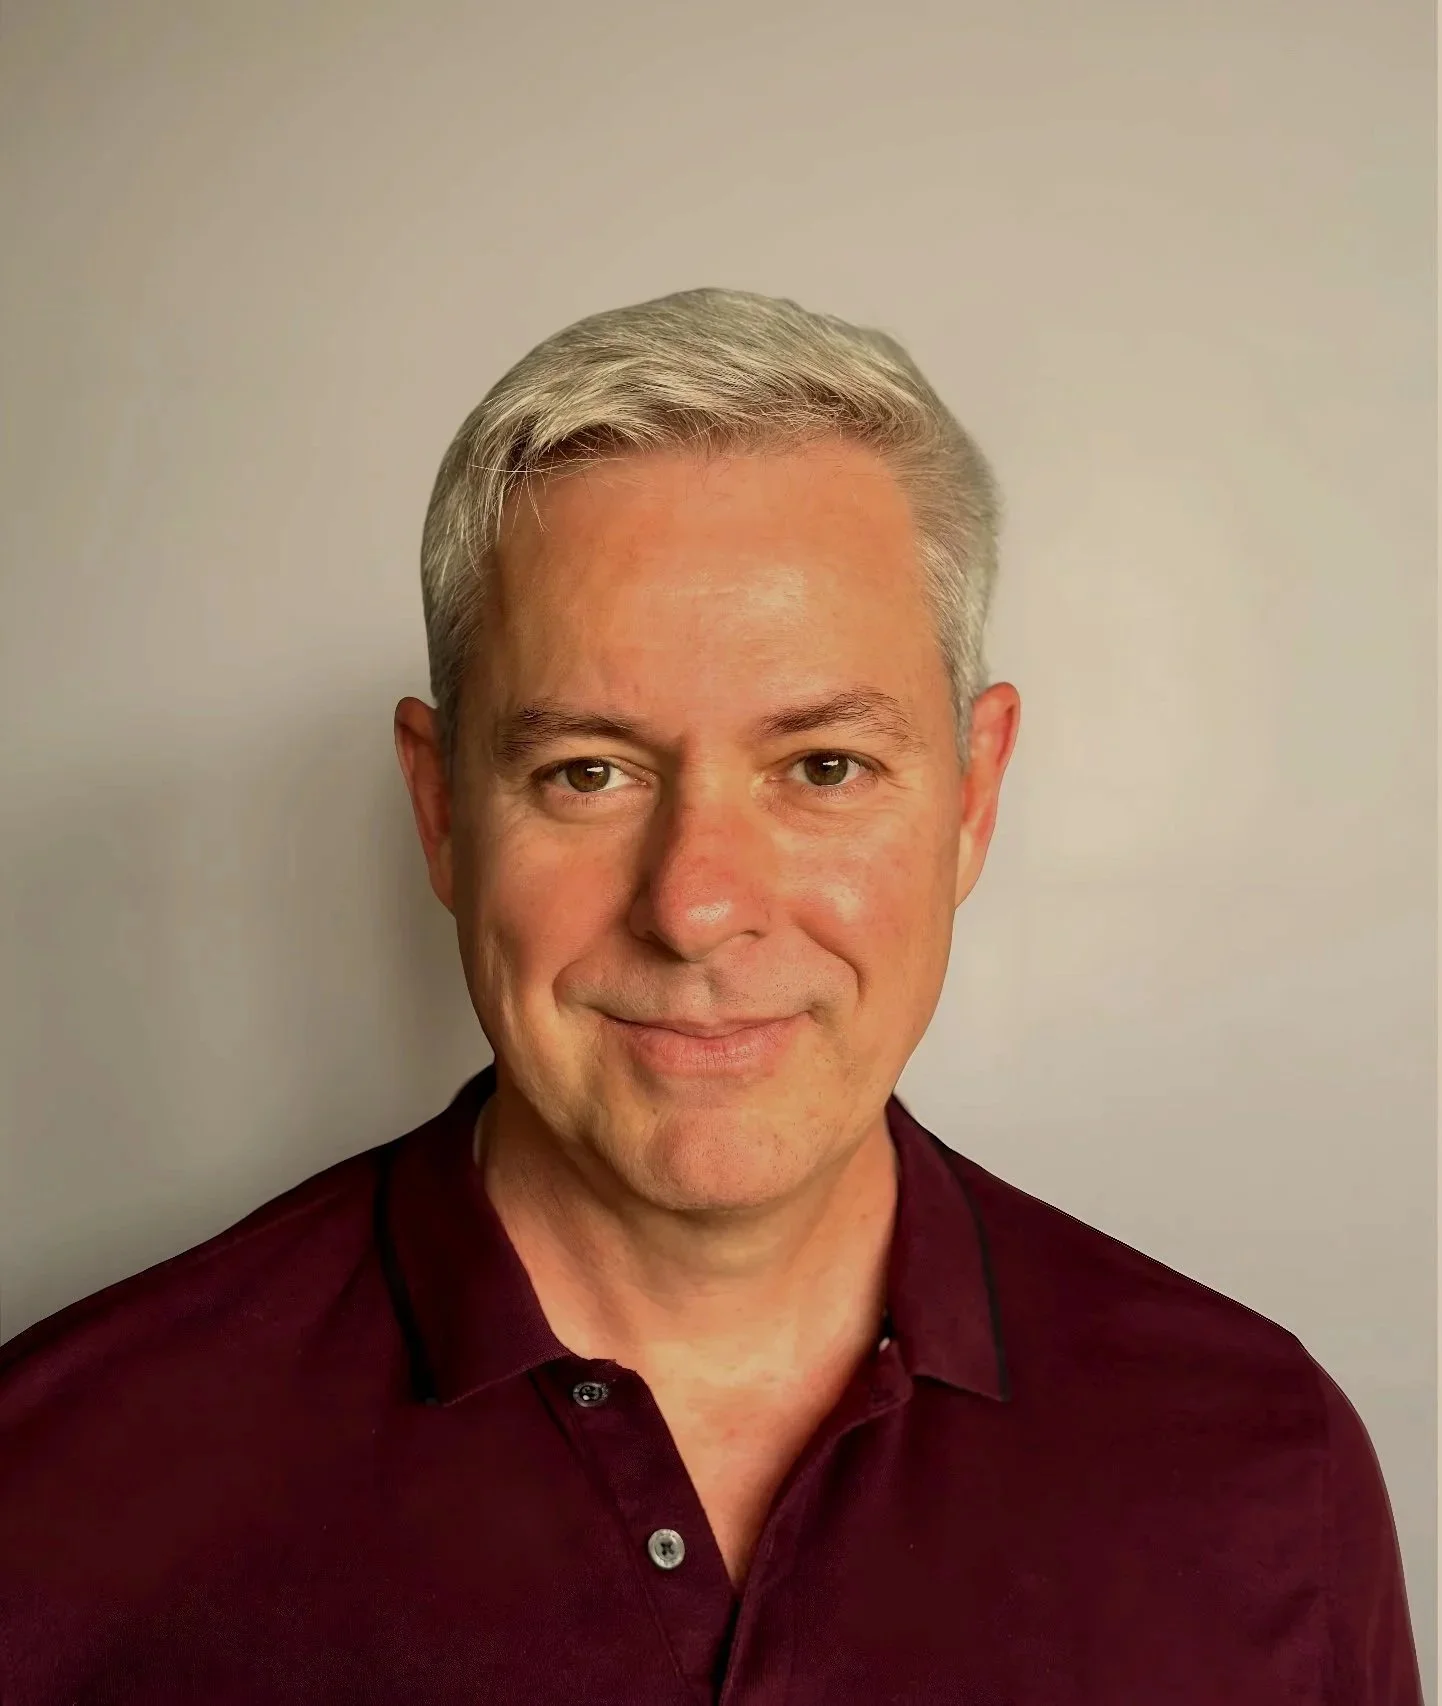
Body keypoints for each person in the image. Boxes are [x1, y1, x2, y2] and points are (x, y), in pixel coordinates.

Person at [0, 288, 1422, 1704]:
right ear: (438, 811)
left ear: (975, 795)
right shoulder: (56, 1482)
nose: (693, 905)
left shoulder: (1260, 1464)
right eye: (587, 772)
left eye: (820, 767)